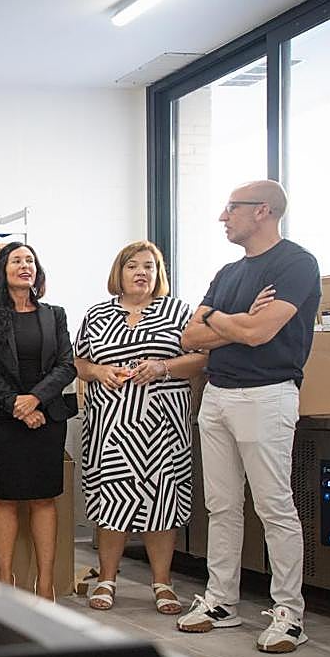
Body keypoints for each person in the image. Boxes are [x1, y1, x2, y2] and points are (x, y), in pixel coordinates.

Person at [177, 180, 321, 653]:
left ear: (262, 211)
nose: (223, 216)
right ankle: (221, 601)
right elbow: (188, 337)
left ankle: (289, 615)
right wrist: (234, 320)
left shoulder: (296, 264)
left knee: (274, 506)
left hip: (267, 395)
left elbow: (260, 333)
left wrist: (222, 320)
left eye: (231, 208)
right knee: (221, 505)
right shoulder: (227, 272)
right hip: (216, 396)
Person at [74, 241, 207, 614]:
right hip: (110, 426)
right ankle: (107, 579)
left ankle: (162, 583)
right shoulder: (98, 314)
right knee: (111, 502)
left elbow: (199, 359)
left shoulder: (179, 311)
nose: (141, 272)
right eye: (133, 266)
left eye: (149, 266)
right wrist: (99, 371)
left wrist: (163, 367)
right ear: (120, 272)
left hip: (162, 426)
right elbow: (80, 363)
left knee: (162, 501)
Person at [0, 242, 76, 599]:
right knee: (5, 498)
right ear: (3, 269)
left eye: (30, 260)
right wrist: (17, 404)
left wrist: (36, 400)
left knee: (44, 499)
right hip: (2, 418)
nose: (24, 265)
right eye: (16, 260)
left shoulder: (54, 314)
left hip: (48, 418)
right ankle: (4, 582)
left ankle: (44, 585)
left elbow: (67, 365)